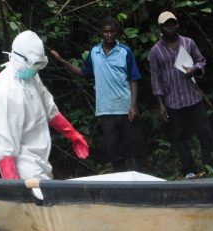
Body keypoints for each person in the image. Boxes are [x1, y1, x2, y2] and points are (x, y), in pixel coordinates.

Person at [0, 30, 90, 231]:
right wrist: (12, 183)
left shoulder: (30, 77)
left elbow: (50, 109)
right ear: (18, 58)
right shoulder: (4, 90)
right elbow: (3, 142)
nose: (36, 69)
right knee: (41, 207)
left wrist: (72, 134)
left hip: (37, 154)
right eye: (34, 64)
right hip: (18, 157)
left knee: (33, 208)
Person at [50, 16, 146, 172]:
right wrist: (62, 61)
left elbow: (134, 79)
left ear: (117, 33)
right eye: (106, 32)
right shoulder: (95, 52)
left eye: (112, 31)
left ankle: (138, 181)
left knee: (133, 146)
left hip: (125, 108)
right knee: (113, 149)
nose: (109, 35)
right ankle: (120, 180)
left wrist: (133, 106)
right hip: (105, 110)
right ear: (101, 33)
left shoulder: (125, 52)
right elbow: (84, 72)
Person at [148, 11, 213, 178]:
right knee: (179, 138)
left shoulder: (188, 42)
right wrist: (161, 105)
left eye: (172, 23)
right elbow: (155, 79)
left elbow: (201, 60)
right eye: (166, 25)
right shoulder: (155, 51)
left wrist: (195, 69)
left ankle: (209, 165)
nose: (170, 27)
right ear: (160, 28)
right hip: (173, 102)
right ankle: (189, 170)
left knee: (205, 133)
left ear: (177, 25)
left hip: (193, 97)